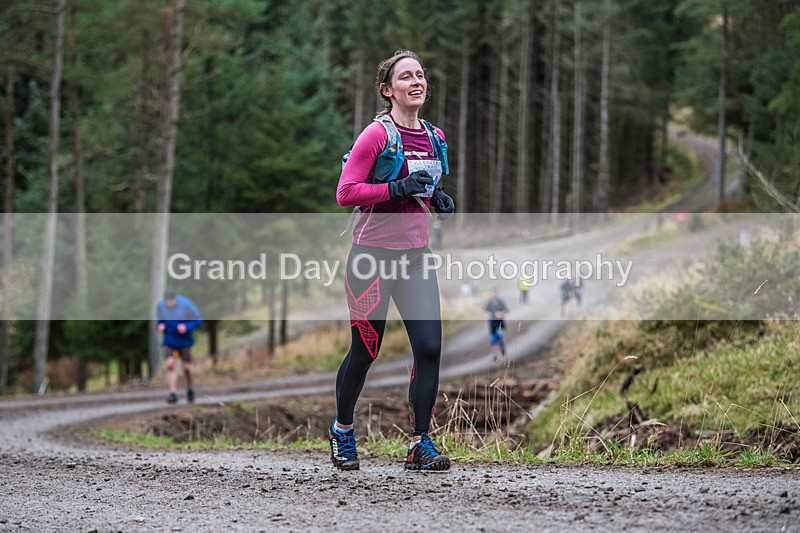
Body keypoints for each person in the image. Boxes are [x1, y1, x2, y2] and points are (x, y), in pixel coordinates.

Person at [330, 50, 455, 472]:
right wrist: (398, 187)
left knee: (430, 347)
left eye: (420, 74)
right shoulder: (376, 136)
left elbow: (423, 189)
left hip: (416, 259)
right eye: (406, 77)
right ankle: (343, 431)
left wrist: (436, 198)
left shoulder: (435, 137)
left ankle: (420, 443)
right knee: (366, 349)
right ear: (388, 90)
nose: (416, 81)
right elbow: (346, 193)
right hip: (371, 259)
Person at [155, 289, 202, 404]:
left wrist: (186, 327)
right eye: (167, 302)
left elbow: (198, 320)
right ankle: (173, 393)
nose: (169, 304)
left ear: (175, 298)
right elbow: (159, 320)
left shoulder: (186, 304)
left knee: (186, 367)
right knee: (170, 364)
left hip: (184, 340)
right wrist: (160, 326)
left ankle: (190, 388)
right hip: (170, 340)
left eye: (171, 301)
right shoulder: (160, 306)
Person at [484, 288, 509, 360]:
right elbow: (485, 312)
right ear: (490, 294)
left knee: (500, 338)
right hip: (492, 324)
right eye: (492, 293)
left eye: (495, 293)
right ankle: (495, 355)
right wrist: (487, 315)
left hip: (500, 323)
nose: (494, 295)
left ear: (497, 294)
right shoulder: (488, 303)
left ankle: (502, 347)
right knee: (493, 340)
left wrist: (501, 314)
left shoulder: (501, 302)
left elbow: (506, 310)